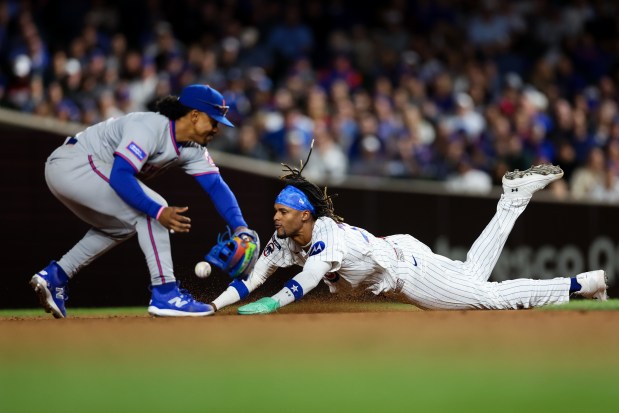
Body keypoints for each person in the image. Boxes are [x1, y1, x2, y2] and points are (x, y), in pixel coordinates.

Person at [207, 159, 607, 314]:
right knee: (472, 274)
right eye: (276, 210)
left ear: (304, 215)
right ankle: (513, 199)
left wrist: (274, 303)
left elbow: (310, 277)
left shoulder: (326, 236)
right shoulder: (282, 240)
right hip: (400, 250)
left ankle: (581, 283)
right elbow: (252, 278)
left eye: (283, 211)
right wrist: (213, 305)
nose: (274, 217)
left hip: (408, 273)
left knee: (486, 298)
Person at [30, 84, 258, 318]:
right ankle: (165, 293)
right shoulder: (150, 127)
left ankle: (56, 275)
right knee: (152, 209)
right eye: (214, 121)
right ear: (195, 115)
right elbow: (120, 176)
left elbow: (215, 186)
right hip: (73, 164)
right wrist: (158, 212)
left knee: (121, 227)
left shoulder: (193, 148)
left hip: (80, 171)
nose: (217, 129)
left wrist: (240, 226)